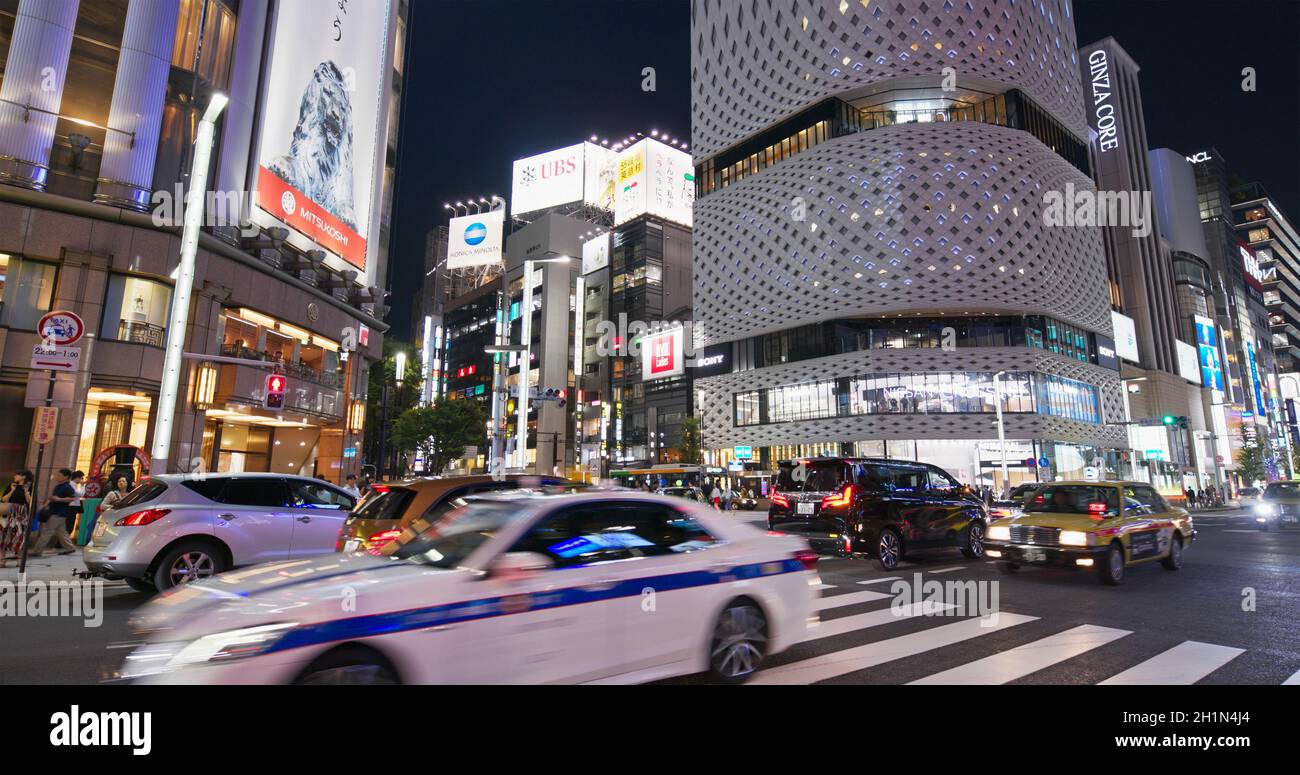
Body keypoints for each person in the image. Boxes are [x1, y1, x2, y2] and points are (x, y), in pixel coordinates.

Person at [30, 469, 78, 557]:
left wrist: (59, 499)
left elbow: (72, 499)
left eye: (59, 475)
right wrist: (46, 505)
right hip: (55, 512)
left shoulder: (68, 487)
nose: (57, 477)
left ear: (66, 477)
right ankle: (70, 548)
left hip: (58, 513)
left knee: (47, 531)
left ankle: (37, 550)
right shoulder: (58, 486)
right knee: (61, 532)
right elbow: (53, 497)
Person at [0, 470, 33, 567]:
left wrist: (26, 492)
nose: (15, 476)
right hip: (8, 515)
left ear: (23, 477)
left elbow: (30, 502)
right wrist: (12, 490)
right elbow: (3, 500)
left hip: (21, 516)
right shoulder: (12, 485)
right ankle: (2, 561)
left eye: (17, 475)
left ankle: (19, 561)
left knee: (19, 538)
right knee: (3, 537)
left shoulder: (30, 487)